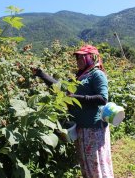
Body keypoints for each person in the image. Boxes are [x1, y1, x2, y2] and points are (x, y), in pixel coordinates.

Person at [32, 44, 114, 178]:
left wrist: (75, 98)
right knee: (86, 163)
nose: (78, 61)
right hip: (81, 127)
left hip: (93, 128)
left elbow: (102, 98)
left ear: (91, 58)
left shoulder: (97, 74)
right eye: (77, 58)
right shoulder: (79, 76)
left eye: (81, 58)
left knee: (96, 163)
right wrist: (41, 74)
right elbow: (61, 88)